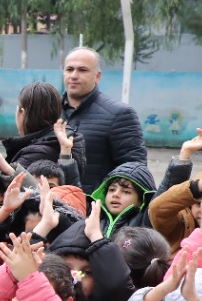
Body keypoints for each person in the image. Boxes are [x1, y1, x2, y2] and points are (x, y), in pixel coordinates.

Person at [58, 48, 146, 193]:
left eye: (82, 70)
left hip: (95, 209)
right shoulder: (50, 112)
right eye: (69, 69)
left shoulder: (120, 114)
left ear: (97, 76)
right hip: (50, 206)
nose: (74, 75)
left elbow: (135, 171)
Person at [91, 162, 156, 237]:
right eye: (112, 189)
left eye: (126, 192)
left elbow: (160, 203)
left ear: (141, 200)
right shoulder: (92, 216)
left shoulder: (145, 222)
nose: (115, 195)